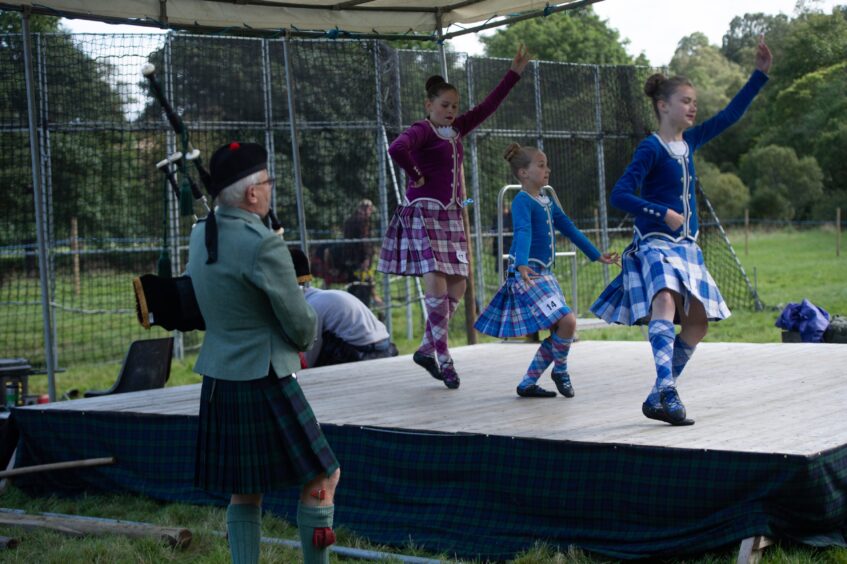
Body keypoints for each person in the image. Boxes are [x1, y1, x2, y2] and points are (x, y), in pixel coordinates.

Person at [590, 37, 773, 426]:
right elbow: (620, 194)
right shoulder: (650, 148)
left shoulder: (690, 141)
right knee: (666, 302)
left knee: (699, 323)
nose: (693, 106)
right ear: (663, 105)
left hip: (686, 247)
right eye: (686, 100)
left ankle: (659, 394)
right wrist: (662, 212)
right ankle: (668, 390)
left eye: (694, 101)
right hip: (655, 243)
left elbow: (729, 115)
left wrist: (759, 76)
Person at [187, 141, 340, 564]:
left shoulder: (201, 234)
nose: (272, 189)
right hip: (265, 377)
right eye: (268, 181)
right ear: (252, 193)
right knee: (322, 476)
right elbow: (300, 325)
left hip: (219, 376)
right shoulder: (264, 244)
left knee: (245, 487)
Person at [378, 44, 532, 390]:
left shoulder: (457, 130)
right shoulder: (421, 129)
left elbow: (488, 106)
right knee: (435, 276)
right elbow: (396, 149)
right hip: (423, 212)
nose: (450, 111)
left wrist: (514, 74)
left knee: (459, 282)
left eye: (454, 106)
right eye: (444, 105)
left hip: (450, 214)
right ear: (428, 106)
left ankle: (425, 348)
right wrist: (415, 174)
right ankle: (444, 357)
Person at [475, 144, 619, 398]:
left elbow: (570, 228)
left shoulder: (547, 201)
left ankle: (528, 383)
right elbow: (523, 232)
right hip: (528, 274)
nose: (547, 169)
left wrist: (597, 255)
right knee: (568, 321)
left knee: (561, 327)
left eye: (546, 164)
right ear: (523, 173)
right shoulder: (522, 201)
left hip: (545, 275)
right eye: (540, 165)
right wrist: (521, 264)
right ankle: (560, 371)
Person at [289, 247, 398, 367]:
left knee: (321, 344)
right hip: (387, 347)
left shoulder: (311, 307)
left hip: (365, 354)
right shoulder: (322, 296)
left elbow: (308, 360)